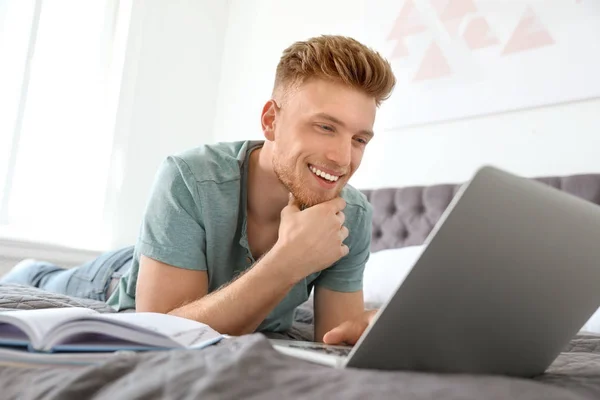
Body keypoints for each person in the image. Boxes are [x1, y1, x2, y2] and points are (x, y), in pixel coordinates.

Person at [1, 35, 396, 345]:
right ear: (271, 121)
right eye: (325, 127)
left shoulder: (351, 215)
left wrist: (375, 328)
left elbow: (334, 336)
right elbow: (159, 328)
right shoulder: (188, 177)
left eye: (360, 139)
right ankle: (30, 268)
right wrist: (287, 261)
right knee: (38, 276)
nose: (344, 158)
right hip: (116, 277)